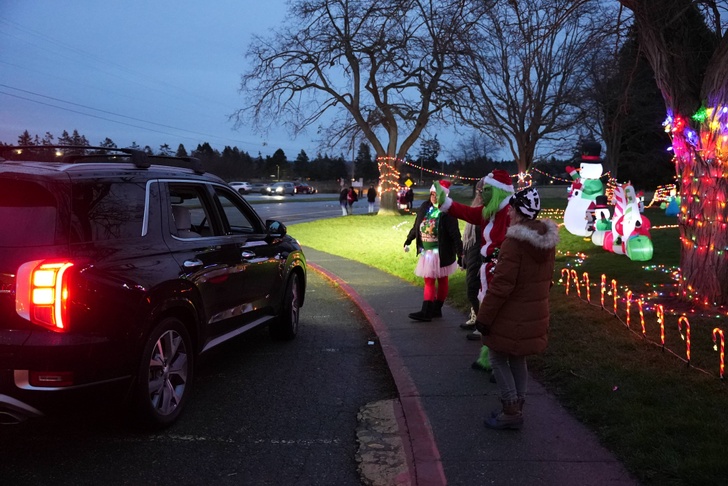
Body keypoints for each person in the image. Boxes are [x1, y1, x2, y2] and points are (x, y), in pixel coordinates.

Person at [475, 187, 559, 430]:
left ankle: (510, 410)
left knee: (497, 357)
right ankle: (518, 406)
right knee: (518, 358)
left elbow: (501, 286)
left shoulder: (514, 243)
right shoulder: (546, 241)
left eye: (512, 208)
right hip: (533, 311)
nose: (508, 212)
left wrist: (484, 317)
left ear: (520, 212)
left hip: (512, 313)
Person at [435, 169, 513, 378]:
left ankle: (501, 365)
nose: (482, 193)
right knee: (489, 315)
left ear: (498, 191)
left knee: (500, 318)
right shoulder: (489, 211)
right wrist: (446, 202)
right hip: (488, 269)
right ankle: (489, 358)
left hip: (502, 271)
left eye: (486, 190)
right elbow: (465, 213)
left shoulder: (509, 214)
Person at [404, 180, 463, 322]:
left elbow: (455, 234)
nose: (433, 197)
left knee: (442, 280)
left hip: (441, 253)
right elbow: (417, 226)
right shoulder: (425, 207)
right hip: (427, 252)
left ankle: (432, 310)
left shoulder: (448, 211)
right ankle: (430, 310)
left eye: (436, 194)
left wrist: (460, 253)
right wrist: (409, 239)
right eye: (432, 194)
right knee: (429, 280)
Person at [460, 178, 485, 331]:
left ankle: (481, 323)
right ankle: (475, 316)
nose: (479, 193)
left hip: (481, 255)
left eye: (481, 190)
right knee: (473, 288)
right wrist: (464, 253)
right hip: (472, 253)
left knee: (475, 288)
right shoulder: (475, 205)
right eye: (478, 190)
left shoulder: (488, 210)